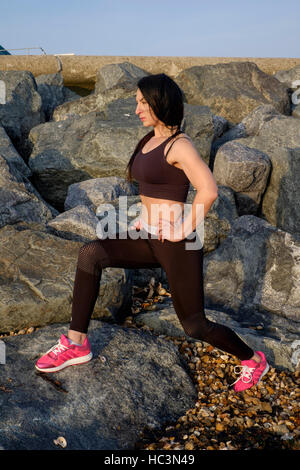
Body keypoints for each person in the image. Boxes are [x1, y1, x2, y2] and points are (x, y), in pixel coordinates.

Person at [35, 73, 269, 392]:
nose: (137, 110)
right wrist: (143, 220)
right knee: (91, 253)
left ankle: (253, 360)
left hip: (178, 244)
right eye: (137, 103)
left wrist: (182, 229)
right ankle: (76, 343)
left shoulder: (180, 144)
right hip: (148, 237)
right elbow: (151, 188)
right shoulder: (149, 139)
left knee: (194, 325)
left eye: (142, 103)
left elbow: (208, 190)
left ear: (161, 102)